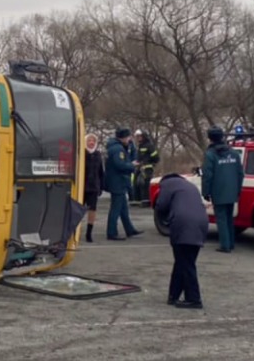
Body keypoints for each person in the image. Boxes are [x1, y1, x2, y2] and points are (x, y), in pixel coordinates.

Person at [155, 173, 209, 309]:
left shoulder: (167, 184)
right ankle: (173, 295)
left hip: (183, 224)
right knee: (182, 262)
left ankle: (194, 299)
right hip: (201, 223)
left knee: (186, 263)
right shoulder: (190, 186)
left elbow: (161, 205)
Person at [201, 126, 244, 253]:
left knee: (221, 218)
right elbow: (240, 173)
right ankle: (230, 243)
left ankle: (225, 245)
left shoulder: (210, 155)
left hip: (218, 191)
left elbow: (207, 175)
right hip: (232, 191)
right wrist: (238, 189)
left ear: (210, 139)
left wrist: (206, 192)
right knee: (229, 218)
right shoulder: (234, 153)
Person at [105, 128, 143, 240]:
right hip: (118, 182)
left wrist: (131, 147)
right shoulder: (118, 149)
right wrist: (132, 166)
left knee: (123, 208)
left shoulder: (116, 147)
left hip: (117, 181)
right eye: (128, 137)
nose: (130, 139)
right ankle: (111, 232)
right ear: (123, 137)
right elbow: (120, 165)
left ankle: (129, 229)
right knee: (116, 208)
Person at [83, 132, 105, 242]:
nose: (91, 143)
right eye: (89, 140)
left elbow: (101, 172)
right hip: (82, 187)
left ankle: (89, 233)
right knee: (78, 209)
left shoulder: (98, 155)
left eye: (93, 141)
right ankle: (73, 232)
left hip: (93, 187)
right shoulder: (81, 154)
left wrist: (101, 186)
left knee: (92, 210)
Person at [133, 129, 160, 206]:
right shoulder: (140, 146)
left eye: (139, 136)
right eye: (137, 137)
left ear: (144, 136)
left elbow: (156, 157)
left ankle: (146, 201)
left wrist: (147, 162)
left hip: (147, 169)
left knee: (145, 184)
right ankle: (137, 200)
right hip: (139, 168)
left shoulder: (149, 145)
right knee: (136, 183)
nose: (138, 138)